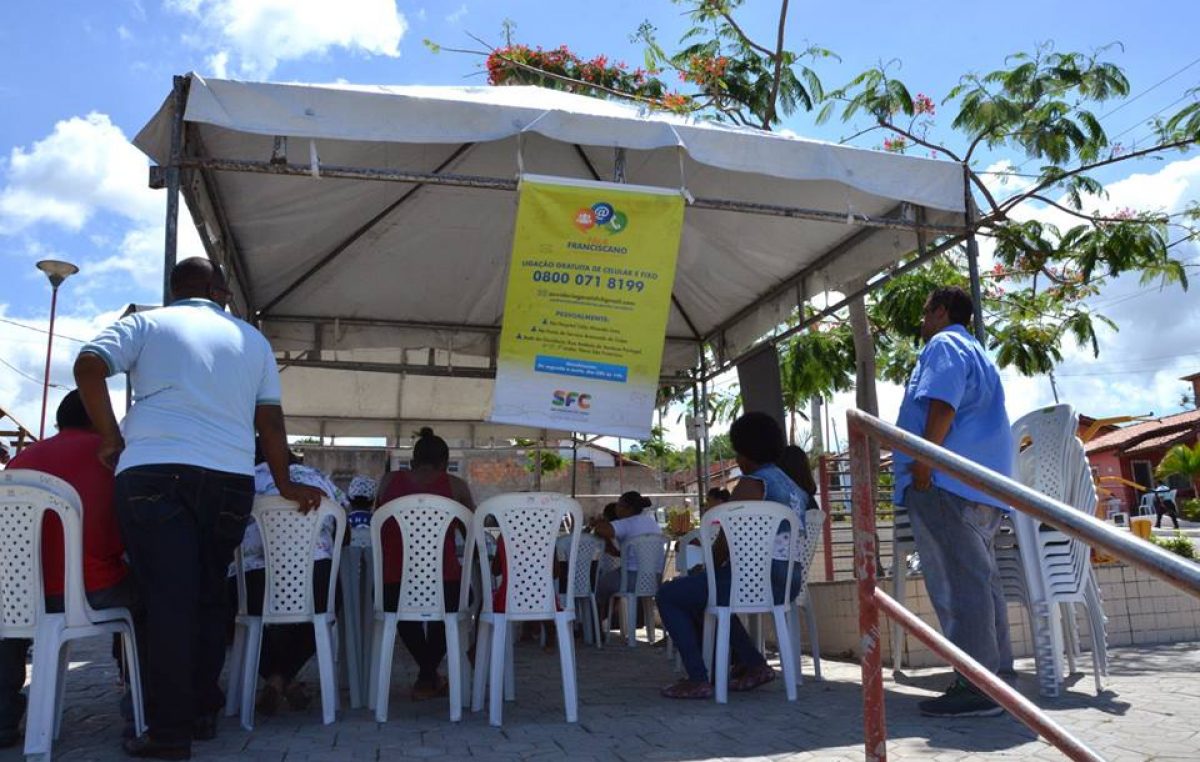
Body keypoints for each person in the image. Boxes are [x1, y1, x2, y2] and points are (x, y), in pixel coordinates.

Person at [73, 257, 323, 760]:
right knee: (210, 595)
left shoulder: (146, 324)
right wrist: (284, 483)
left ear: (175, 290)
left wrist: (110, 436)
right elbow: (271, 422)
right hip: (229, 480)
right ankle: (203, 712)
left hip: (153, 473)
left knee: (167, 599)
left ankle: (169, 732)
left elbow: (88, 365)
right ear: (221, 293)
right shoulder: (252, 341)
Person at [893, 286, 1013, 719]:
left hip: (947, 483)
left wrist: (924, 462)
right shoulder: (977, 350)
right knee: (980, 580)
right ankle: (998, 677)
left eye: (926, 312)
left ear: (941, 312)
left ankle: (978, 687)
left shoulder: (944, 344)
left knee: (958, 584)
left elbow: (942, 404)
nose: (922, 322)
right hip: (979, 487)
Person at [1, 391, 135, 748]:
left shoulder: (20, 461)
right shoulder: (113, 460)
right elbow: (122, 540)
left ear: (60, 422)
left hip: (24, 595)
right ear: (99, 420)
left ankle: (2, 717)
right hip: (93, 590)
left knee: (8, 619)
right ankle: (141, 711)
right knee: (151, 600)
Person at [656, 412, 808, 699]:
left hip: (755, 580)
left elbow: (725, 543)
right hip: (788, 582)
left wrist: (707, 569)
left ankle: (697, 678)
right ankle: (753, 664)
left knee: (670, 595)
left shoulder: (753, 483)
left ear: (744, 451)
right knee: (708, 595)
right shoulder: (794, 488)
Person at [230, 441, 346, 716]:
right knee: (326, 611)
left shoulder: (240, 482)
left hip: (254, 584)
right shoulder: (317, 478)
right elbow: (345, 525)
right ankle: (284, 678)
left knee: (231, 614)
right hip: (314, 580)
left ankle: (275, 678)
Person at [374, 427, 474, 700]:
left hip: (393, 586)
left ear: (412, 461)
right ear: (445, 463)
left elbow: (379, 526)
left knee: (399, 611)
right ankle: (429, 675)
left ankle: (427, 676)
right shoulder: (456, 487)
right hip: (445, 584)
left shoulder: (387, 482)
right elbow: (473, 534)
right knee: (457, 601)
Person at [591, 490, 662, 622]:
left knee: (598, 585)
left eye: (619, 505)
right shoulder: (651, 522)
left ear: (627, 508)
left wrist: (598, 522)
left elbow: (601, 530)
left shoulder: (627, 522)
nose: (616, 508)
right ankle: (609, 619)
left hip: (630, 579)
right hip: (654, 579)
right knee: (610, 582)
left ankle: (594, 624)